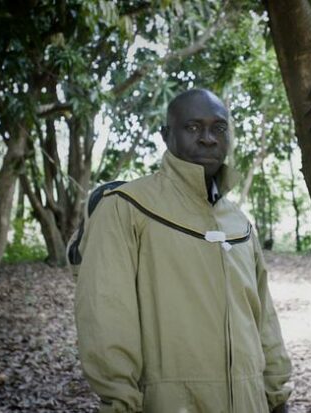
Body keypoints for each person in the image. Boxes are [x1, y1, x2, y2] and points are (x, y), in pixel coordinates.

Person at [74, 89, 292, 413]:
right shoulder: (126, 208)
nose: (207, 139)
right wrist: (119, 401)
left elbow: (264, 321)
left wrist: (276, 398)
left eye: (218, 128)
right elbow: (106, 315)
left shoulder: (239, 223)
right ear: (166, 135)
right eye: (192, 127)